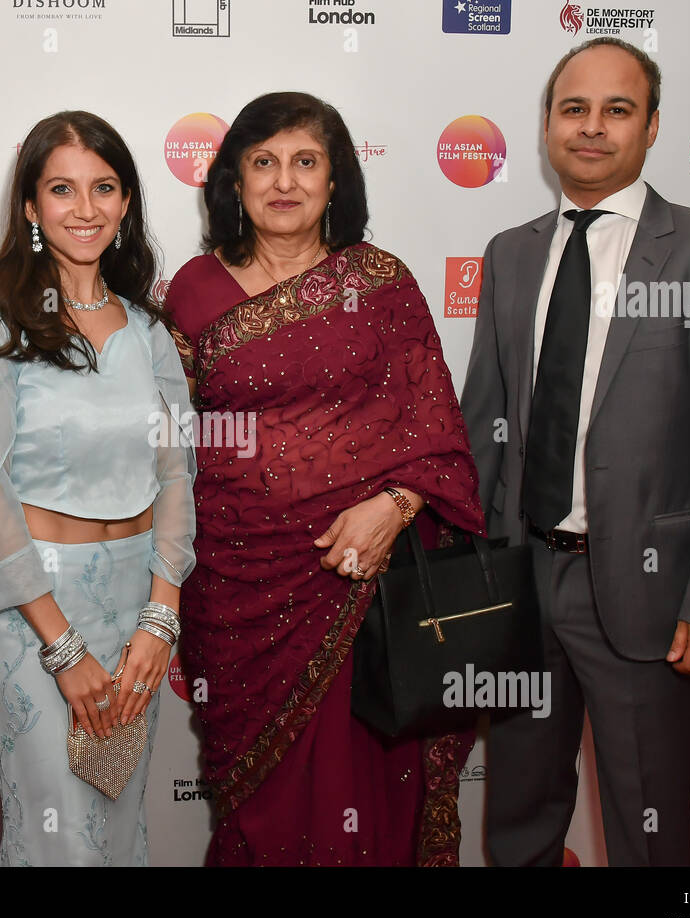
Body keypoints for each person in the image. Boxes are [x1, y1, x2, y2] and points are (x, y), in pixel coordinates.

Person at [460, 37, 690, 866]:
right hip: (523, 588)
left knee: (649, 822)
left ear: (653, 127)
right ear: (545, 126)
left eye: (617, 109)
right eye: (574, 108)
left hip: (649, 596)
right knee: (520, 815)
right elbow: (484, 427)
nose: (591, 128)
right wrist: (471, 578)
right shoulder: (512, 252)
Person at [166, 92, 485, 866]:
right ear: (233, 182)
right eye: (263, 162)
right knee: (262, 807)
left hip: (370, 587)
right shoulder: (193, 290)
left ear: (336, 180)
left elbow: (438, 429)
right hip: (239, 592)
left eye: (306, 162)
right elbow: (169, 446)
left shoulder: (380, 284)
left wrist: (395, 505)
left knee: (367, 789)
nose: (285, 181)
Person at [0, 111, 195, 866]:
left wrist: (161, 616)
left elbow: (176, 473)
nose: (85, 208)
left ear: (125, 204)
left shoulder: (149, 332)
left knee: (116, 830)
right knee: (61, 841)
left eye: (104, 188)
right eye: (62, 189)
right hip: (34, 615)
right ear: (30, 206)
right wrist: (63, 649)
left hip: (136, 611)